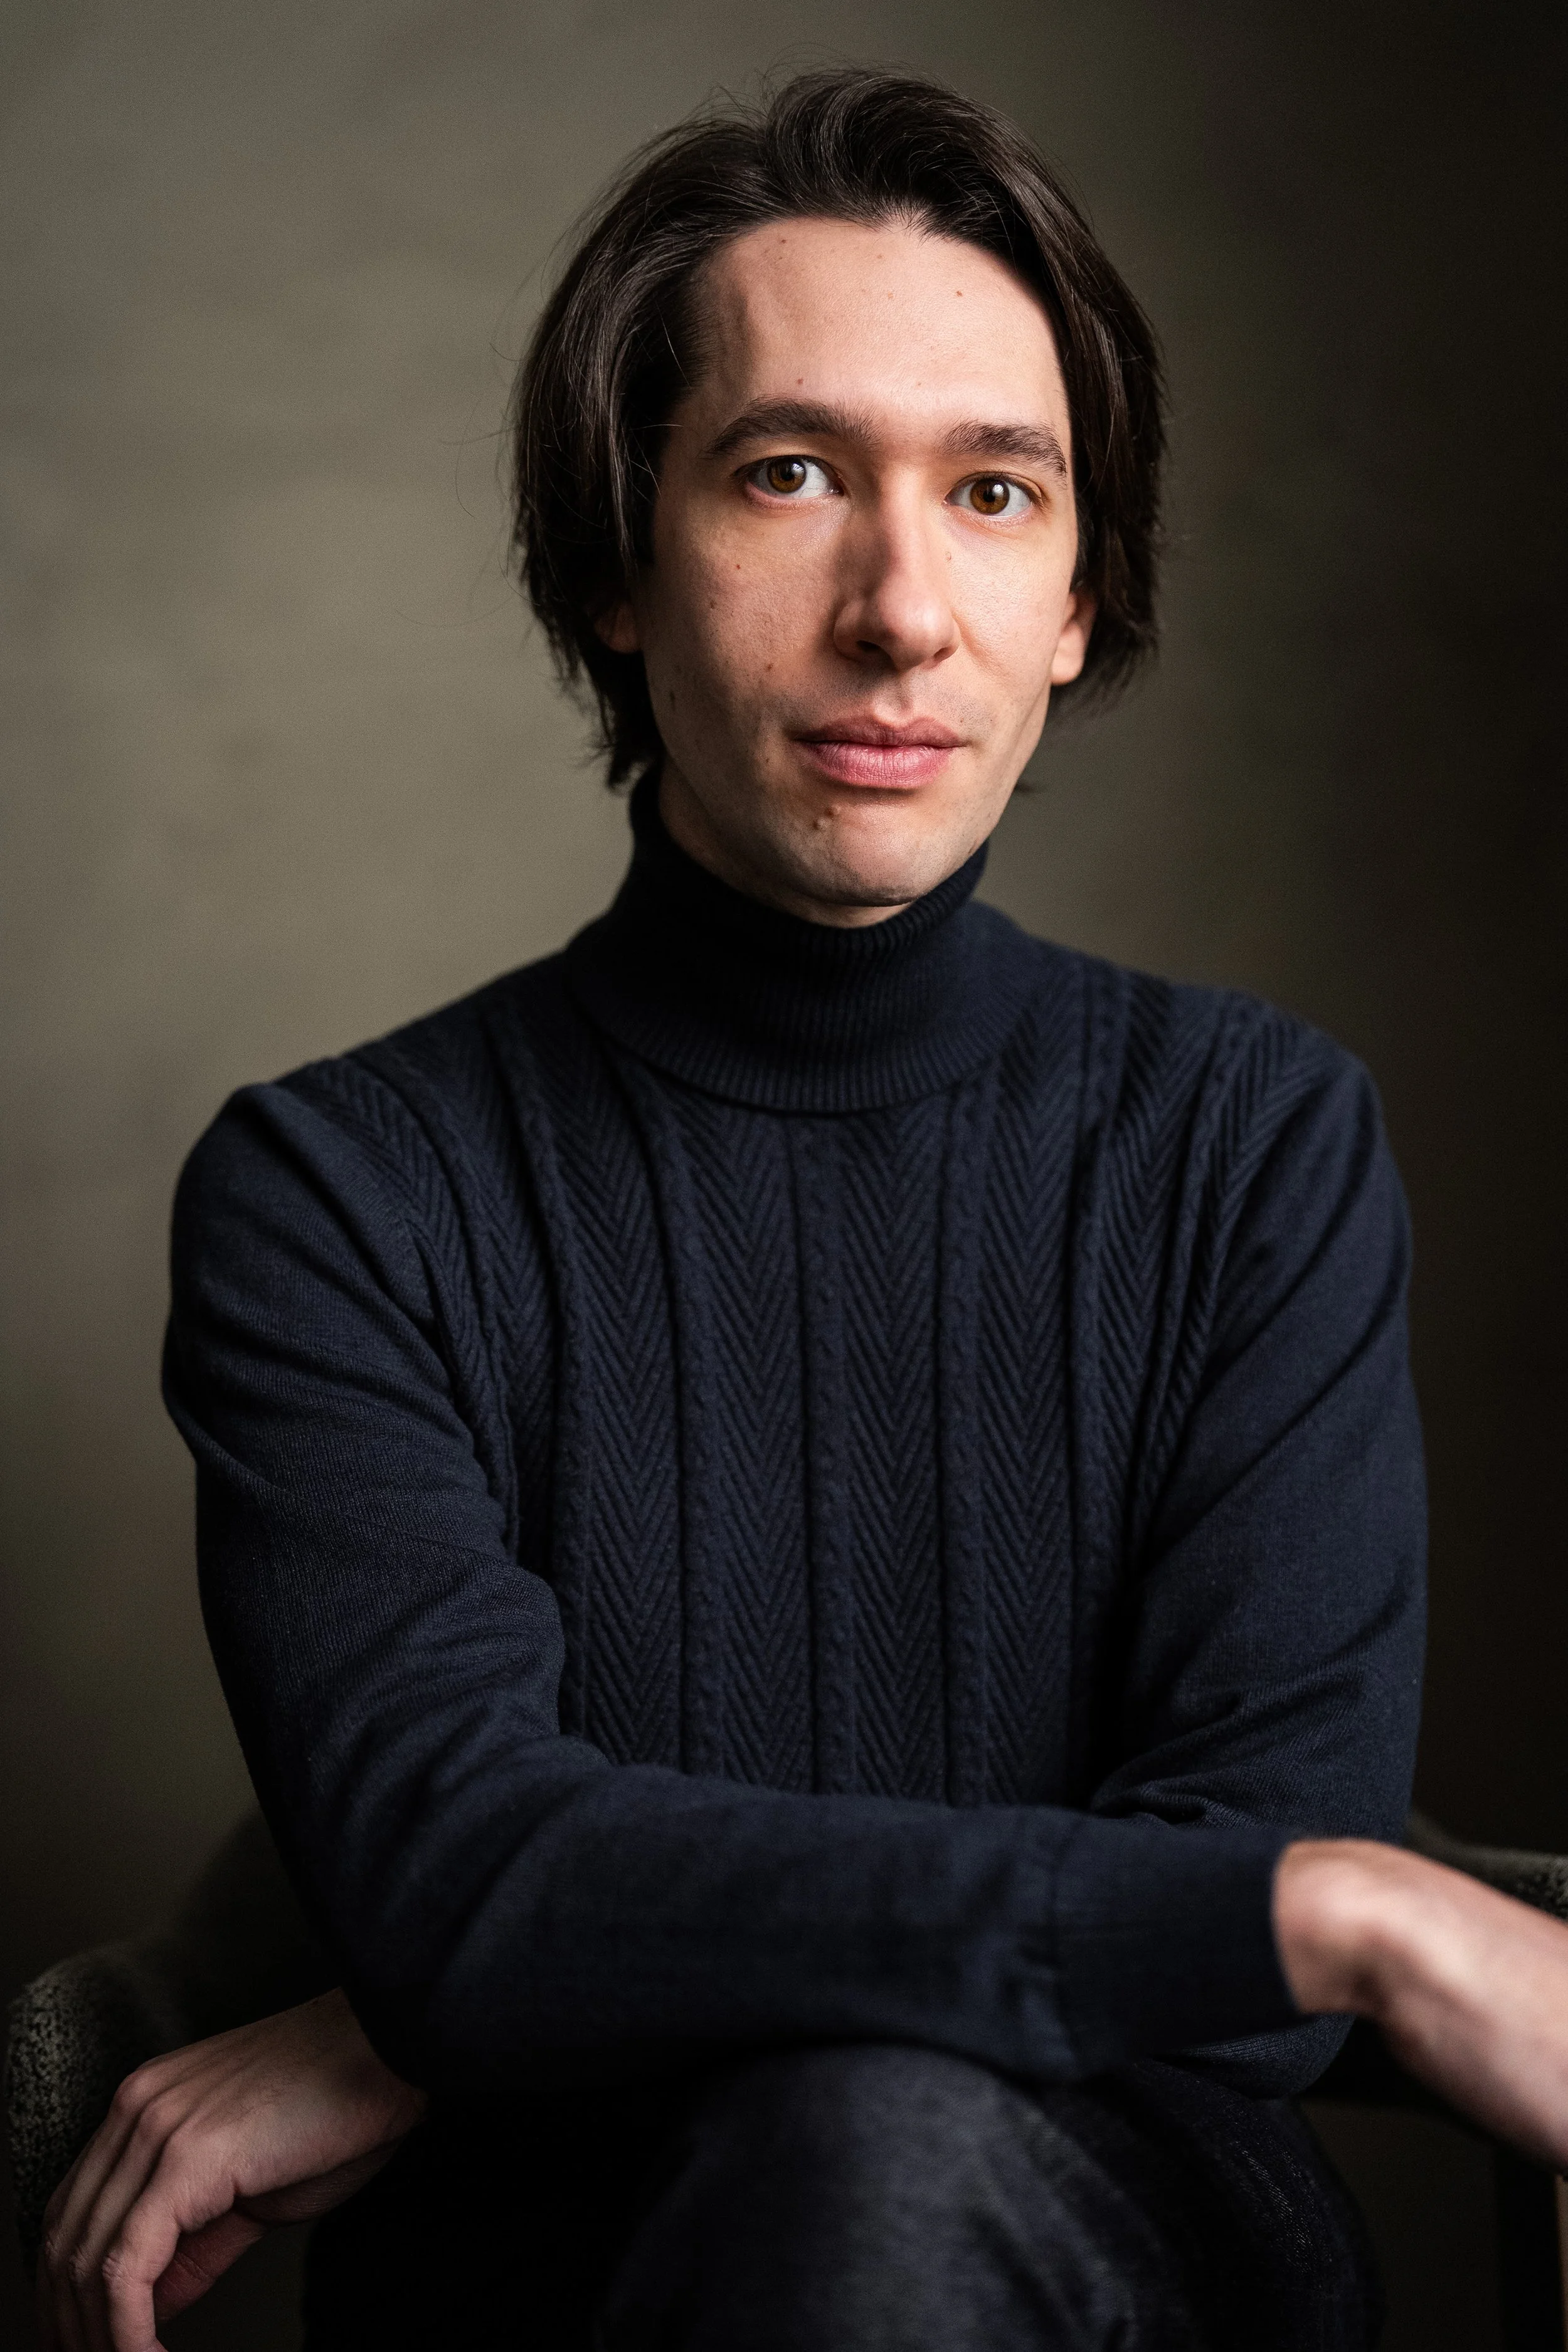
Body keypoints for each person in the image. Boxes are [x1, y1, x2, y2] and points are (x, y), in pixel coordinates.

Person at [34, 66, 1568, 2352]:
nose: (900, 611)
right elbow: (467, 1885)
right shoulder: (343, 1191)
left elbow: (1229, 1946)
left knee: (873, 2141)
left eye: (995, 493)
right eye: (787, 476)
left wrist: (513, 1974)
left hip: (1135, 2250)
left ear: (1079, 601)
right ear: (609, 571)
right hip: (552, 2273)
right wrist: (1342, 1915)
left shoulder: (1253, 1143)